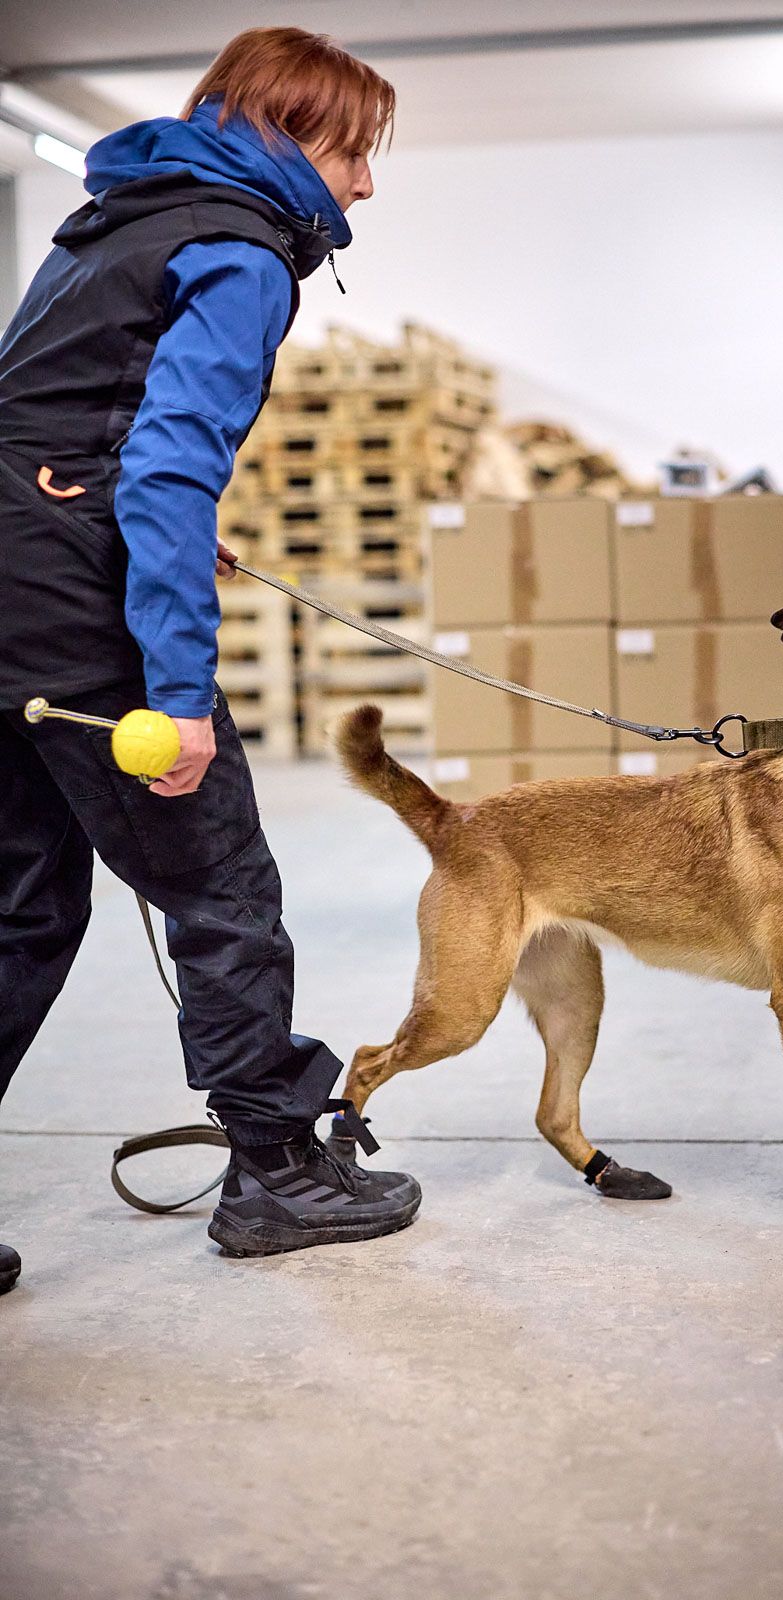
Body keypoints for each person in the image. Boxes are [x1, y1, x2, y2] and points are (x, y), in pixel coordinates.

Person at [0, 27, 423, 1285]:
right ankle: (277, 1172)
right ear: (290, 135)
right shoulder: (238, 253)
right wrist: (176, 690)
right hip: (72, 612)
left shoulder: (114, 221)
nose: (362, 184)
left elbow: (49, 421)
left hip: (8, 587)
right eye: (354, 151)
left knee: (19, 910)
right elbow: (168, 462)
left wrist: (133, 517)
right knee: (220, 884)